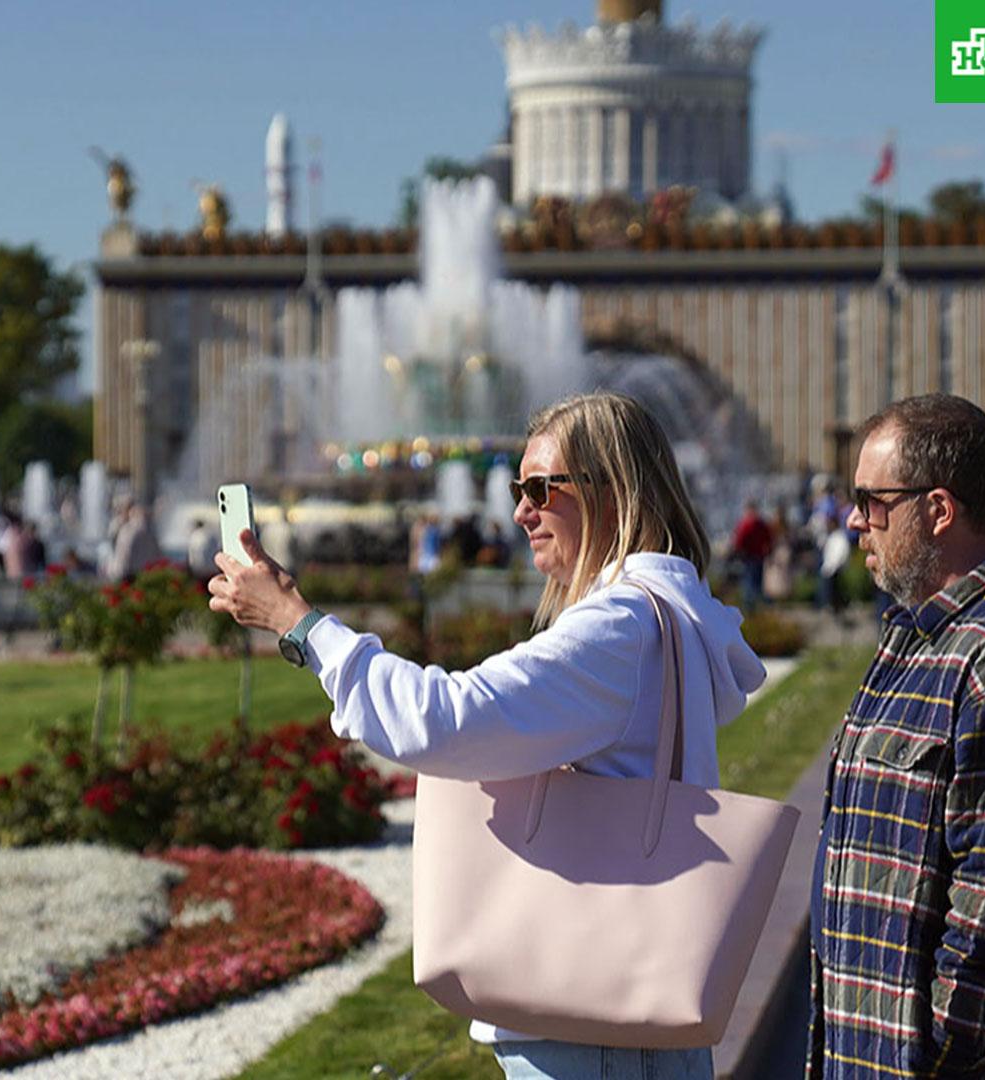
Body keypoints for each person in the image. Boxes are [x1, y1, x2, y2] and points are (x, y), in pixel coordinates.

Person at [209, 391, 763, 1080]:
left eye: (541, 488)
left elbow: (447, 720)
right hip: (617, 1025)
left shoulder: (620, 627)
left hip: (597, 1030)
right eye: (516, 488)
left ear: (614, 493)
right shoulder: (659, 617)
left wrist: (300, 623)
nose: (521, 511)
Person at [815, 394, 985, 1079]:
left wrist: (940, 1051)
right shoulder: (924, 634)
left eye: (872, 501)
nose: (855, 521)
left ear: (938, 510)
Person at [728, 500, 774, 610]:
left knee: (749, 581)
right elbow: (769, 539)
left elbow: (739, 540)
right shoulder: (760, 523)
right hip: (758, 555)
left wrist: (737, 552)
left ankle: (750, 605)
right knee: (756, 580)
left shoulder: (746, 524)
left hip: (748, 556)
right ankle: (756, 604)